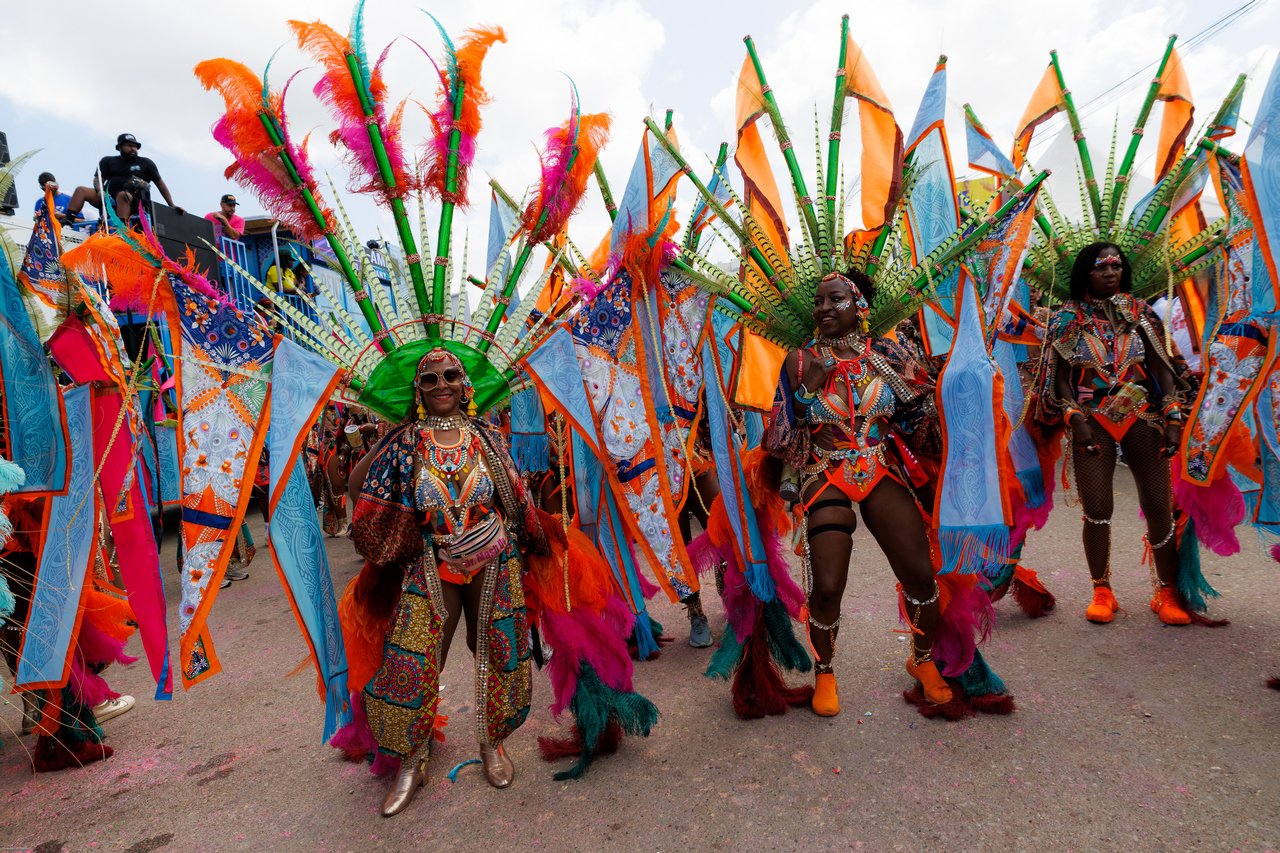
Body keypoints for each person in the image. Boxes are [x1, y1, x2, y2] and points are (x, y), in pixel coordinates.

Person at [341, 347, 547, 815]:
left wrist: (519, 539)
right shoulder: (406, 441)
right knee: (418, 657)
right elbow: (358, 489)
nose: (441, 386)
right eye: (430, 379)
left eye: (450, 375)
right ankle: (413, 759)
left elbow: (514, 493)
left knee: (494, 647)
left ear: (465, 384)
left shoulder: (486, 436)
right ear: (418, 389)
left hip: (492, 559)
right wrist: (387, 436)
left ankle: (493, 743)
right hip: (434, 562)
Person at [767, 272, 961, 716]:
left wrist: (953, 387)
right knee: (828, 584)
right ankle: (825, 671)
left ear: (860, 306)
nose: (824, 308)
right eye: (818, 301)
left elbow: (919, 411)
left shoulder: (887, 355)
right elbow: (778, 436)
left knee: (920, 574)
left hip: (878, 467)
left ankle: (922, 659)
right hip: (823, 470)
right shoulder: (800, 360)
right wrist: (807, 390)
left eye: (835, 299)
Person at [1036, 242, 1191, 625]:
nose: (1110, 272)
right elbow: (1060, 380)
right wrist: (1076, 421)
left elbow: (1161, 368)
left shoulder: (1140, 313)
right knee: (1098, 509)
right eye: (1100, 266)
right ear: (1085, 273)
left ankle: (1166, 591)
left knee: (1159, 506)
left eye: (1116, 265)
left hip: (1141, 417)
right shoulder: (1067, 317)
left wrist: (1173, 420)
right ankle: (1102, 591)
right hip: (1093, 419)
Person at [62, 133, 182, 224]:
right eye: (129, 145)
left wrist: (171, 204)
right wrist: (100, 191)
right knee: (81, 190)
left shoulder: (146, 163)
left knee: (123, 195)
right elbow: (97, 180)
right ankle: (68, 221)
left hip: (134, 201)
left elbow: (160, 185)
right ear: (119, 147)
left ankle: (121, 228)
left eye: (135, 146)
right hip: (108, 198)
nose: (133, 149)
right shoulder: (108, 161)